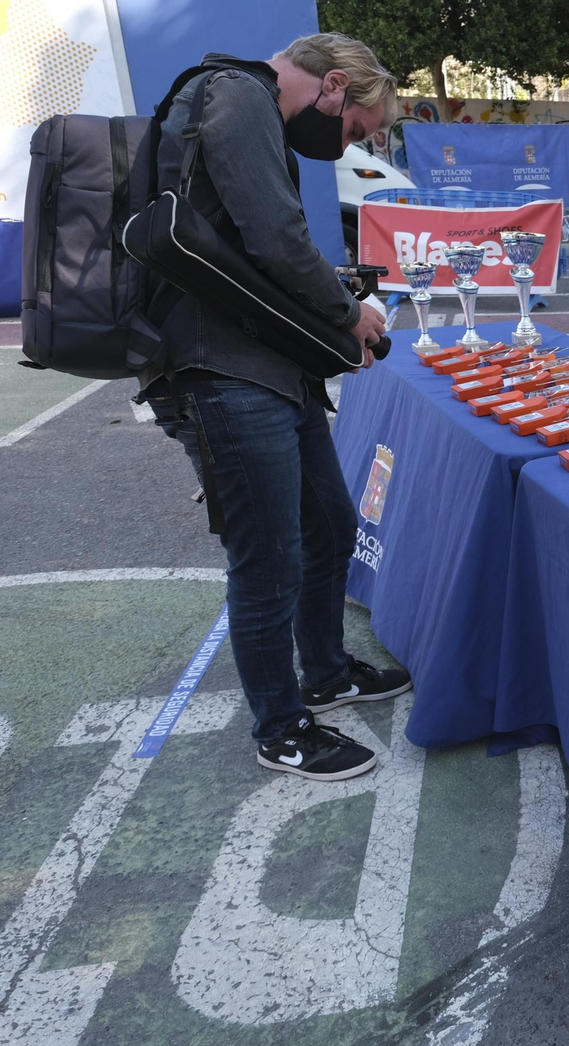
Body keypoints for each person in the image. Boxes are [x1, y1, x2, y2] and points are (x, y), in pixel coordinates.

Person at [142, 33, 409, 782]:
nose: (349, 142)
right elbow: (275, 237)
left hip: (260, 363)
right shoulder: (238, 98)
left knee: (328, 524)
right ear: (332, 88)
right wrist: (345, 313)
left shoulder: (242, 104)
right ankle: (281, 728)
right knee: (269, 559)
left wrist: (326, 292)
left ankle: (323, 673)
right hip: (219, 367)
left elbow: (247, 243)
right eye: (357, 129)